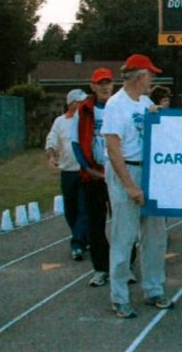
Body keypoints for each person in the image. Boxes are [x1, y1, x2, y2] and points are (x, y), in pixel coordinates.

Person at [102, 54, 173, 318]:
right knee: (124, 236)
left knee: (155, 236)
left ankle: (154, 289)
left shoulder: (145, 102)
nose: (152, 80)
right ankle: (119, 296)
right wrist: (130, 185)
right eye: (150, 75)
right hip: (127, 170)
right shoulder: (115, 105)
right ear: (140, 76)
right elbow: (113, 149)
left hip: (150, 171)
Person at [71, 68, 115, 287]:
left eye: (108, 82)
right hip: (93, 175)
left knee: (122, 224)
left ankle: (124, 266)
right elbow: (75, 142)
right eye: (100, 83)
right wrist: (88, 168)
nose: (105, 86)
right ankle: (101, 268)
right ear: (93, 86)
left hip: (118, 173)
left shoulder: (119, 107)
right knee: (95, 225)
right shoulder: (84, 110)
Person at [45, 88, 88, 260]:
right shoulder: (60, 122)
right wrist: (51, 155)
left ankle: (77, 243)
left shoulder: (87, 120)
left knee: (84, 209)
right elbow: (52, 140)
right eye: (80, 102)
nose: (83, 105)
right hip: (67, 172)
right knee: (71, 210)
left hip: (85, 171)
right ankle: (83, 238)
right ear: (71, 104)